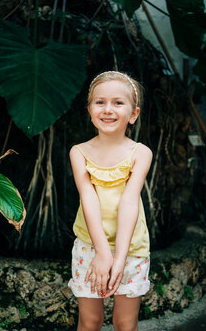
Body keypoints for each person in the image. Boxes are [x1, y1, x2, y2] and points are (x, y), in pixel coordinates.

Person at [68, 71, 153, 331]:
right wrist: (103, 254)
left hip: (132, 249)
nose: (108, 109)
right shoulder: (79, 152)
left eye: (118, 102)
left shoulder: (141, 153)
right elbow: (88, 199)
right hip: (89, 247)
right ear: (90, 109)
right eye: (100, 102)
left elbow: (130, 201)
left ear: (133, 114)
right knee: (90, 320)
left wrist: (119, 258)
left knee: (125, 323)